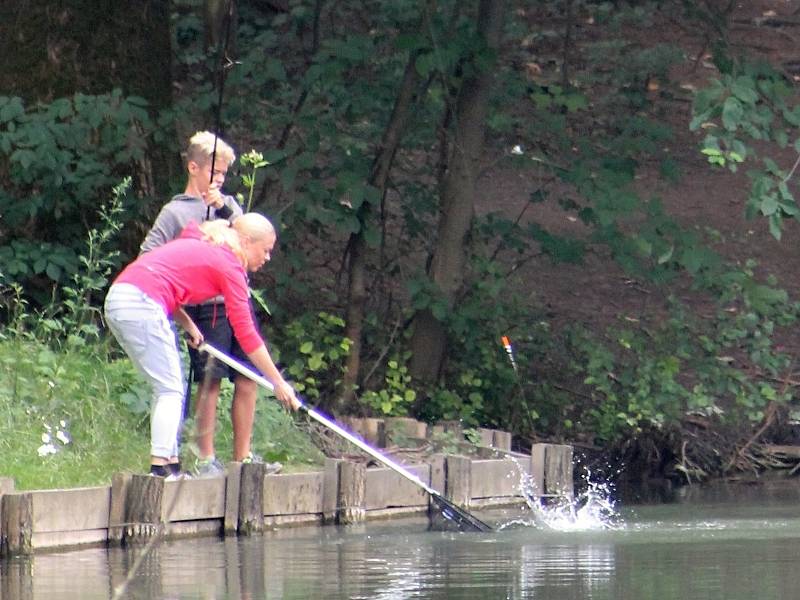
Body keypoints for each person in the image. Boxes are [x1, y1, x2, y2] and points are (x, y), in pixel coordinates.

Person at [104, 216, 300, 479]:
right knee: (170, 388)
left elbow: (166, 282)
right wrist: (277, 382)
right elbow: (246, 333)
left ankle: (170, 465)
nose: (267, 258)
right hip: (141, 303)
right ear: (245, 242)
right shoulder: (229, 265)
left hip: (121, 298)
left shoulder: (203, 243)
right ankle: (161, 470)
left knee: (167, 386)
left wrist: (189, 325)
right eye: (265, 250)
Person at [140, 131, 273, 476]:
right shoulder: (174, 211)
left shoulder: (228, 207)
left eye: (225, 175)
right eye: (214, 173)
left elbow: (247, 235)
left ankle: (243, 456)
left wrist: (224, 206)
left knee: (248, 376)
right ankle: (205, 456)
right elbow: (149, 254)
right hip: (204, 305)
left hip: (236, 299)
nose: (219, 180)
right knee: (210, 379)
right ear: (193, 167)